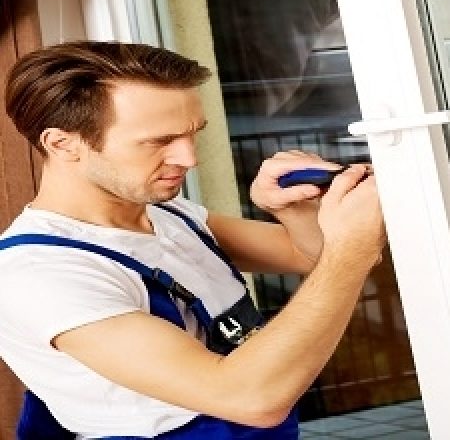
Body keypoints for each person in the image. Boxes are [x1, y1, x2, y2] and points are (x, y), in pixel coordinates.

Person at [0, 41, 386, 439]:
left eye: (192, 134)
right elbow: (251, 398)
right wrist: (350, 253)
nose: (189, 158)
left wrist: (293, 211)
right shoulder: (41, 275)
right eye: (158, 141)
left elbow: (308, 255)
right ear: (62, 144)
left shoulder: (167, 214)